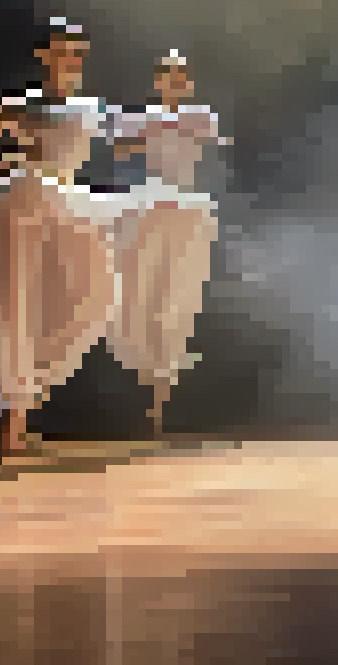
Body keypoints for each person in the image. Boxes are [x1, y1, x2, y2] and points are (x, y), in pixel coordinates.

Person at [0, 18, 125, 458]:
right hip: (23, 201)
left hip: (65, 205)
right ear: (43, 57)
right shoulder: (21, 105)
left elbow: (127, 139)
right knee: (16, 303)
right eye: (59, 51)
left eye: (74, 53)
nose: (67, 60)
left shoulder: (93, 108)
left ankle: (30, 385)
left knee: (97, 296)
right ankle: (15, 421)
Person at [108, 51, 229, 434]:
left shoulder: (200, 115)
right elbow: (119, 148)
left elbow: (217, 147)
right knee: (139, 292)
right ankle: (145, 387)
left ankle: (161, 400)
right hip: (148, 203)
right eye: (166, 76)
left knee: (178, 296)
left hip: (186, 206)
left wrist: (186, 132)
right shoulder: (140, 117)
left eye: (179, 76)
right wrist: (150, 133)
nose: (173, 83)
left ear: (187, 83)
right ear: (157, 82)